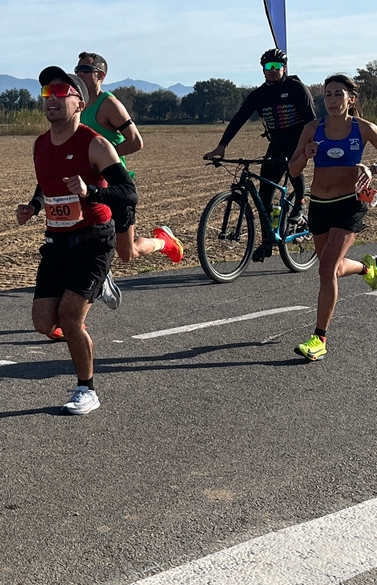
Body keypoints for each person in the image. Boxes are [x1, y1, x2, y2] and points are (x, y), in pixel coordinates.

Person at [16, 66, 138, 414]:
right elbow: (47, 183)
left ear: (79, 103)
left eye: (60, 93)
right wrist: (34, 206)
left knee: (70, 317)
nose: (51, 99)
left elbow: (129, 194)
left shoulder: (95, 144)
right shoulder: (41, 144)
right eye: (46, 94)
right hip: (57, 241)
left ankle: (87, 389)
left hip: (93, 240)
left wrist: (91, 192)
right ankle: (98, 287)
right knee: (44, 322)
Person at [287, 73, 377, 361]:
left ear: (351, 99)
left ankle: (319, 338)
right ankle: (367, 269)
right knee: (334, 269)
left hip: (350, 203)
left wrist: (371, 169)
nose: (333, 99)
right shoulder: (313, 129)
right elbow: (293, 169)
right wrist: (305, 155)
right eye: (328, 94)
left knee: (326, 268)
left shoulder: (364, 128)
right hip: (319, 205)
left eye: (339, 94)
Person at [75, 51, 184, 268]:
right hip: (90, 184)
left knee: (127, 252)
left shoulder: (109, 105)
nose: (79, 74)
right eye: (77, 70)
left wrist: (105, 157)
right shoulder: (78, 104)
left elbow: (135, 141)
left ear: (101, 76)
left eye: (85, 70)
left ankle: (164, 241)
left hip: (115, 185)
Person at [204, 48, 316, 258]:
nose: (272, 70)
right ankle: (267, 242)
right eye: (268, 66)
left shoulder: (296, 88)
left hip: (298, 140)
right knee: (264, 195)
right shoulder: (259, 95)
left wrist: (310, 146)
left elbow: (312, 120)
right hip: (276, 143)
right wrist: (222, 146)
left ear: (284, 68)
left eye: (277, 66)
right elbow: (239, 119)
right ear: (263, 70)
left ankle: (300, 201)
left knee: (292, 167)